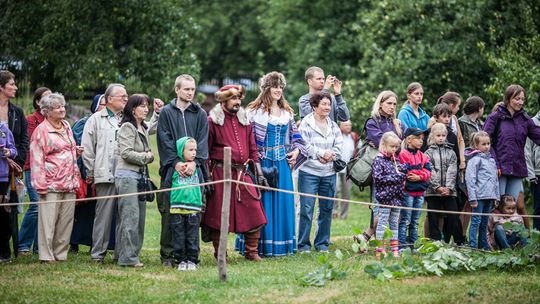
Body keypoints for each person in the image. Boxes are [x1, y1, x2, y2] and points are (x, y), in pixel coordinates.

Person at [82, 83, 161, 263]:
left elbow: (149, 128)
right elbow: (87, 149)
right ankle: (97, 255)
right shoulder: (96, 119)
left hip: (125, 174)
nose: (126, 98)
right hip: (104, 173)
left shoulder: (126, 119)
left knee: (126, 216)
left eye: (127, 97)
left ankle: (121, 252)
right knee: (103, 218)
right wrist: (92, 171)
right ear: (109, 99)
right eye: (122, 96)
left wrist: (156, 113)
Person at [237, 71, 307, 257]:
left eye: (280, 87)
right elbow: (246, 139)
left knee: (283, 202)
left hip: (282, 164)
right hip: (262, 163)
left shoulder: (287, 113)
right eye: (275, 86)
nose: (278, 90)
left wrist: (296, 151)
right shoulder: (254, 112)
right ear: (266, 88)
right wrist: (253, 163)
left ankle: (281, 246)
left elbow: (297, 138)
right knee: (262, 203)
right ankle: (258, 247)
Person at [202, 84, 267, 261]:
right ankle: (220, 251)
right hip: (220, 173)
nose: (237, 102)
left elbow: (253, 149)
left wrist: (259, 172)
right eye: (233, 98)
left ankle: (251, 251)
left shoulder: (245, 120)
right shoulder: (212, 121)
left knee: (254, 210)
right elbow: (205, 151)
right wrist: (207, 177)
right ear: (223, 100)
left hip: (242, 173)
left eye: (239, 98)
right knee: (218, 214)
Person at [156, 74, 208, 267]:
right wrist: (176, 163)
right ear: (177, 90)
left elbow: (203, 140)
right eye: (186, 89)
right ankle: (169, 256)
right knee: (171, 214)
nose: (190, 92)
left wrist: (195, 163)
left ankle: (191, 256)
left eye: (193, 89)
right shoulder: (167, 113)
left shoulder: (200, 113)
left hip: (195, 171)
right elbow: (164, 139)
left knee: (193, 213)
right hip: (172, 171)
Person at [30, 93, 81, 262]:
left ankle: (60, 254)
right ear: (46, 111)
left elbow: (67, 149)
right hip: (50, 184)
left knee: (65, 222)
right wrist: (40, 184)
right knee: (48, 222)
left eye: (63, 106)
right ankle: (46, 255)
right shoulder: (42, 130)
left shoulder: (66, 125)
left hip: (69, 182)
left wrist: (76, 152)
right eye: (57, 107)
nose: (62, 109)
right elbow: (36, 159)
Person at [484, 85, 540, 230]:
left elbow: (538, 136)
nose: (520, 102)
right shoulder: (495, 117)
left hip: (517, 168)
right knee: (497, 205)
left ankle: (513, 239)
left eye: (522, 99)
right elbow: (485, 142)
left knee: (513, 205)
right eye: (517, 98)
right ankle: (489, 239)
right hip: (499, 168)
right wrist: (495, 164)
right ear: (508, 99)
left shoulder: (525, 119)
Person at [353, 91, 404, 248]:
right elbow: (383, 144)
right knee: (379, 205)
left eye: (394, 104)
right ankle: (376, 241)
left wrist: (396, 145)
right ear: (380, 103)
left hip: (395, 171)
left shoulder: (397, 123)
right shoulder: (372, 121)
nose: (392, 107)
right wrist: (395, 145)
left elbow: (402, 145)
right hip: (379, 169)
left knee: (393, 207)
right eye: (389, 103)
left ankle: (366, 236)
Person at [297, 91, 343, 253]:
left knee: (326, 209)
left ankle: (322, 243)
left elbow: (339, 144)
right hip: (309, 172)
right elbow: (304, 144)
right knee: (306, 209)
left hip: (329, 173)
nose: (327, 107)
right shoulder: (306, 123)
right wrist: (322, 154)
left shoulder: (333, 125)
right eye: (323, 104)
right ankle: (303, 245)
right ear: (314, 106)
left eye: (329, 104)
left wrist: (332, 155)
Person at [115, 94, 156, 268]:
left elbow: (154, 126)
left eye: (147, 105)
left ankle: (124, 255)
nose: (146, 109)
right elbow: (126, 153)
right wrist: (147, 156)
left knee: (137, 219)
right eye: (142, 106)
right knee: (130, 218)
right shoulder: (127, 127)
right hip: (127, 177)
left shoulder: (142, 126)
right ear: (133, 109)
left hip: (138, 177)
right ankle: (128, 259)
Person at [69, 94, 107, 252]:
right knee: (79, 209)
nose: (106, 106)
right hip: (85, 171)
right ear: (95, 106)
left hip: (100, 171)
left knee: (95, 210)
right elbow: (80, 147)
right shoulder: (83, 123)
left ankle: (93, 242)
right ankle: (74, 242)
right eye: (103, 104)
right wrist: (85, 172)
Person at [18, 87, 51, 255]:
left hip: (51, 170)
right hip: (33, 168)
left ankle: (39, 246)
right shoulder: (31, 120)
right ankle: (23, 244)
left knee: (45, 207)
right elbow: (31, 146)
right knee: (36, 206)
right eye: (47, 97)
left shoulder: (56, 121)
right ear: (38, 102)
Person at [0, 70, 28, 263]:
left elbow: (23, 141)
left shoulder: (17, 112)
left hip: (9, 172)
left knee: (7, 212)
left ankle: (5, 251)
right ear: (1, 87)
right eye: (12, 84)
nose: (15, 87)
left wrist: (16, 163)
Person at [424, 123, 462, 244]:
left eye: (443, 135)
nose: (441, 138)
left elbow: (452, 170)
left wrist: (449, 188)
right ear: (433, 136)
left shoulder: (451, 152)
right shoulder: (427, 153)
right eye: (438, 135)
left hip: (449, 192)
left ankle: (458, 241)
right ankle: (435, 241)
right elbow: (429, 170)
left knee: (453, 216)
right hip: (432, 192)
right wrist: (437, 187)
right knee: (433, 217)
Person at [372, 132, 406, 259]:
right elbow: (378, 178)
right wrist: (396, 177)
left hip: (396, 198)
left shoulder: (395, 160)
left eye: (396, 147)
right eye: (391, 146)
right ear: (383, 145)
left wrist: (404, 170)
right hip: (384, 198)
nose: (394, 149)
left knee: (394, 224)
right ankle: (380, 250)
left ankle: (394, 249)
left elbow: (400, 173)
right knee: (382, 224)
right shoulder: (378, 160)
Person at [170, 137, 202, 271]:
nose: (194, 152)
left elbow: (203, 185)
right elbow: (167, 185)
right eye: (190, 150)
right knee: (179, 236)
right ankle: (180, 260)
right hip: (177, 209)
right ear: (180, 151)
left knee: (192, 236)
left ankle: (192, 260)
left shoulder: (197, 169)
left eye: (195, 150)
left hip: (193, 208)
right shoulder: (175, 169)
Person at [398, 128, 431, 251]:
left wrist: (419, 176)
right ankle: (401, 246)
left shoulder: (423, 156)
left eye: (422, 139)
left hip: (420, 192)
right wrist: (417, 174)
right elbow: (406, 172)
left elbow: (428, 171)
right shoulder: (403, 154)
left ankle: (413, 246)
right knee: (405, 220)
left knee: (415, 220)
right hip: (408, 193)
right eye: (418, 138)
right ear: (409, 139)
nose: (421, 141)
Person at [465, 131, 499, 250]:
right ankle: (473, 246)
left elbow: (495, 180)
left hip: (489, 197)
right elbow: (470, 179)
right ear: (476, 146)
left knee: (485, 223)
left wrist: (496, 197)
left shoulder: (492, 161)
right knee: (476, 221)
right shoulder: (474, 161)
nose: (487, 146)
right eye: (483, 144)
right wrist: (472, 198)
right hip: (479, 197)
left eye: (488, 143)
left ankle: (483, 245)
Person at [333, 120, 359, 220]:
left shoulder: (354, 137)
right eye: (346, 125)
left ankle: (343, 216)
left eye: (350, 125)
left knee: (346, 193)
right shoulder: (336, 135)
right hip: (336, 168)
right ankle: (334, 212)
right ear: (341, 126)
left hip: (348, 169)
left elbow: (358, 150)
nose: (348, 127)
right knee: (334, 190)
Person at [525, 92, 540, 231]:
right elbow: (527, 151)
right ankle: (537, 239)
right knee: (538, 208)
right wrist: (531, 175)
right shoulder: (532, 122)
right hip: (537, 173)